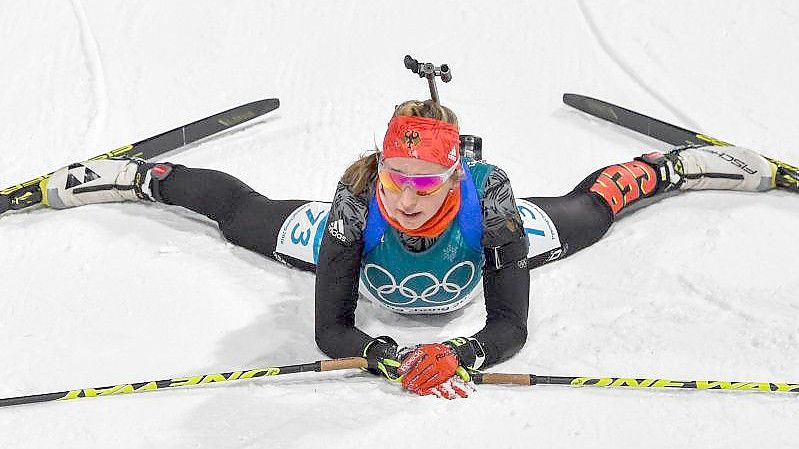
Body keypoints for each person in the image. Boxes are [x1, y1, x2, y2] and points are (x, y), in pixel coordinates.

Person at [41, 99, 799, 399]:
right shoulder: (353, 201)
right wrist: (376, 352)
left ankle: (676, 168)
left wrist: (467, 352)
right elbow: (329, 327)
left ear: (456, 172)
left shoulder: (489, 196)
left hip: (469, 258)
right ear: (380, 165)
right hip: (376, 272)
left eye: (426, 180)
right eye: (394, 176)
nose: (405, 195)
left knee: (591, 210)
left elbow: (509, 321)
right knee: (239, 215)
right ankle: (139, 178)